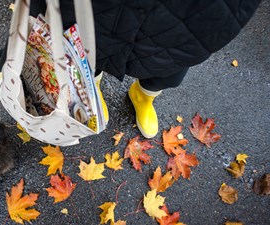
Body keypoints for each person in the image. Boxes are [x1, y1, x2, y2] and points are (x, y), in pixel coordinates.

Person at [30, 0, 262, 138]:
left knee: (167, 67)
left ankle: (142, 97)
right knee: (86, 48)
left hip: (189, 13)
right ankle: (92, 87)